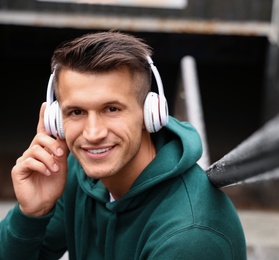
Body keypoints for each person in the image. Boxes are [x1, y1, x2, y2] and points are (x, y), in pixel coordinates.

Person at [0, 30, 246, 259]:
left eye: (111, 109)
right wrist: (31, 214)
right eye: (76, 112)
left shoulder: (190, 237)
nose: (93, 133)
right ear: (56, 121)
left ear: (149, 114)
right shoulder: (75, 172)